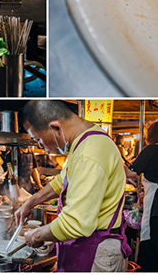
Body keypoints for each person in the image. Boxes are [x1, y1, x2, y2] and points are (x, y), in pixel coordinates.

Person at [15, 101, 132, 272]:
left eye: (38, 139)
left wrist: (36, 235)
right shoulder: (87, 141)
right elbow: (61, 181)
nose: (40, 146)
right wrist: (30, 203)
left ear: (55, 128)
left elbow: (76, 223)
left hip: (97, 254)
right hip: (91, 248)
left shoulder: (89, 152)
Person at [126, 120, 158, 272]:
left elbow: (130, 172)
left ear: (151, 134)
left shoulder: (152, 150)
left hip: (156, 208)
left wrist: (116, 158)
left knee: (148, 251)